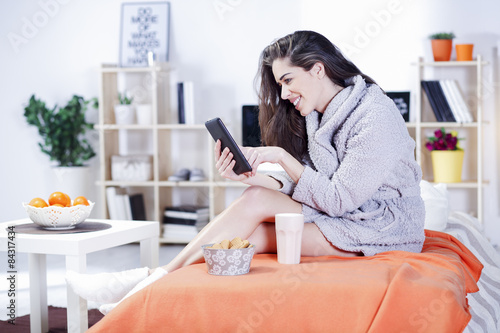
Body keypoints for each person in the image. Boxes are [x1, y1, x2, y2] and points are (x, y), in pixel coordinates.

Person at [66, 30, 425, 314]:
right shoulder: (318, 112)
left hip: (379, 227)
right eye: (279, 84)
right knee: (247, 218)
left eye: (288, 80)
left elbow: (338, 198)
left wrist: (282, 158)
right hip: (342, 212)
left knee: (248, 231)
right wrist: (258, 178)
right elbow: (310, 179)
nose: (284, 94)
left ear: (318, 68)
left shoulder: (374, 116)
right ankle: (146, 284)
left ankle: (141, 288)